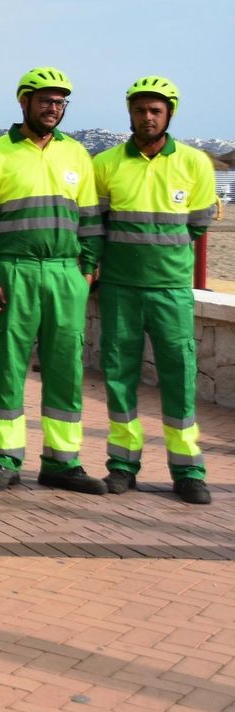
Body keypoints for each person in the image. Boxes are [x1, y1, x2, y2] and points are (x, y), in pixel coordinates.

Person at [0, 67, 106, 494]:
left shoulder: (78, 155)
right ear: (23, 102)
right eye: (45, 100)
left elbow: (90, 221)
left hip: (66, 273)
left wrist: (86, 270)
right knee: (9, 367)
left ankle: (62, 461)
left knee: (66, 367)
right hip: (14, 271)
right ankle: (5, 459)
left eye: (60, 101)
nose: (53, 108)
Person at [94, 76, 216, 504]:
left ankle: (188, 471)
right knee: (118, 376)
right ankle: (122, 465)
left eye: (156, 111)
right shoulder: (106, 163)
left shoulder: (196, 163)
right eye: (141, 110)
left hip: (170, 290)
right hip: (120, 289)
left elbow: (199, 224)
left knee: (179, 377)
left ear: (169, 115)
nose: (147, 117)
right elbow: (97, 226)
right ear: (130, 113)